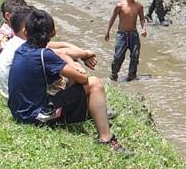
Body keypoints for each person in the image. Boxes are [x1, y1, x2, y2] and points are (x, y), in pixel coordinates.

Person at [7, 9, 125, 152]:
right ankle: (106, 138)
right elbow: (83, 79)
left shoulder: (22, 49)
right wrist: (75, 65)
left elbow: (57, 54)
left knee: (71, 81)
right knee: (94, 83)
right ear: (53, 33)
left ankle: (92, 112)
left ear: (25, 32)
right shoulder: (44, 56)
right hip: (35, 116)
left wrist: (71, 62)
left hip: (19, 112)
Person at [0, 6, 98, 101]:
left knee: (69, 64)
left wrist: (83, 55)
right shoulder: (39, 53)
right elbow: (62, 55)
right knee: (91, 81)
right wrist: (85, 54)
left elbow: (60, 48)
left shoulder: (18, 44)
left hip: (16, 98)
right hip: (30, 101)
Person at [104, 0, 146, 82]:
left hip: (133, 34)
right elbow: (113, 18)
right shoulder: (120, 6)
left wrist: (144, 28)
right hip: (122, 35)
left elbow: (142, 19)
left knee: (135, 55)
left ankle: (131, 75)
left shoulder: (139, 6)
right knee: (118, 56)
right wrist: (107, 31)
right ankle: (114, 75)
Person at [0, 0, 27, 78]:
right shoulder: (4, 35)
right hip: (4, 72)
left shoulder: (16, 30)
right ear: (8, 15)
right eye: (22, 15)